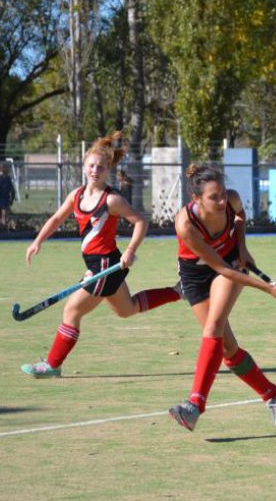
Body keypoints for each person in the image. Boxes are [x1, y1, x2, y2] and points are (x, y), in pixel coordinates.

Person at [20, 132, 183, 378]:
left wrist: (130, 251)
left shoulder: (111, 200)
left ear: (108, 170)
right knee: (126, 309)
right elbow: (56, 218)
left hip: (107, 265)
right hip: (99, 265)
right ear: (84, 167)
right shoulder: (76, 195)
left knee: (71, 311)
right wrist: (38, 241)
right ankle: (180, 291)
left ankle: (52, 365)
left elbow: (140, 222)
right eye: (92, 165)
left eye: (101, 167)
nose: (96, 170)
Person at [168, 164, 276, 433]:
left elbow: (239, 217)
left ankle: (194, 406)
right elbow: (219, 269)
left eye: (223, 194)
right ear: (196, 199)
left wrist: (241, 245)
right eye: (213, 197)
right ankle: (274, 396)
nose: (222, 200)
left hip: (231, 263)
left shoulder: (232, 200)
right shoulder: (185, 225)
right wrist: (269, 288)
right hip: (197, 276)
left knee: (213, 327)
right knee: (227, 349)